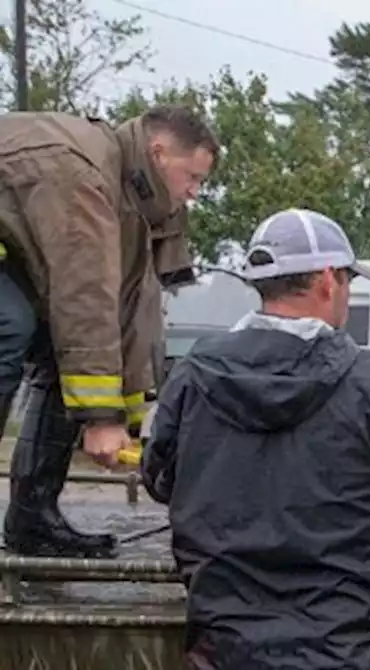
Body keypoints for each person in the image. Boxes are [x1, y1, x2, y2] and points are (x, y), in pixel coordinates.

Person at [141, 208, 370, 670]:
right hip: (353, 652)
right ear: (328, 279)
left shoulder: (192, 377)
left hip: (226, 651)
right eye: (348, 281)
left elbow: (160, 479)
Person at [0, 105, 217, 558]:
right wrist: (100, 418)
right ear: (158, 154)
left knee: (58, 347)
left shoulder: (138, 205)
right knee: (10, 327)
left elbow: (132, 312)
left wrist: (126, 420)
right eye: (192, 177)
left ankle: (32, 518)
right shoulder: (83, 174)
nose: (195, 193)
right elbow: (85, 297)